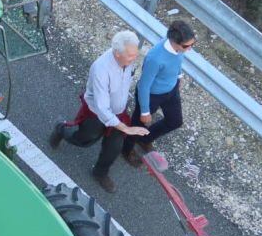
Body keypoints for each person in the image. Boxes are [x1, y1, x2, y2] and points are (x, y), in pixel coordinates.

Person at [49, 30, 150, 193]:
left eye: (135, 54)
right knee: (84, 140)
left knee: (114, 147)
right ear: (117, 54)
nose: (135, 59)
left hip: (118, 112)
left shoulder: (128, 60)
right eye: (131, 56)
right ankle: (61, 129)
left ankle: (100, 173)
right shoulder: (101, 69)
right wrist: (125, 128)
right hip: (95, 113)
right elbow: (102, 107)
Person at [121, 20, 196, 165]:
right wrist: (145, 111)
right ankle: (126, 150)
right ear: (174, 41)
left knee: (175, 121)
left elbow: (177, 62)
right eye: (187, 46)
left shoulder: (179, 49)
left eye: (192, 44)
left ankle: (145, 140)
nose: (189, 49)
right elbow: (144, 85)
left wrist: (179, 77)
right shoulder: (155, 58)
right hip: (151, 96)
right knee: (139, 125)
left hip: (171, 91)